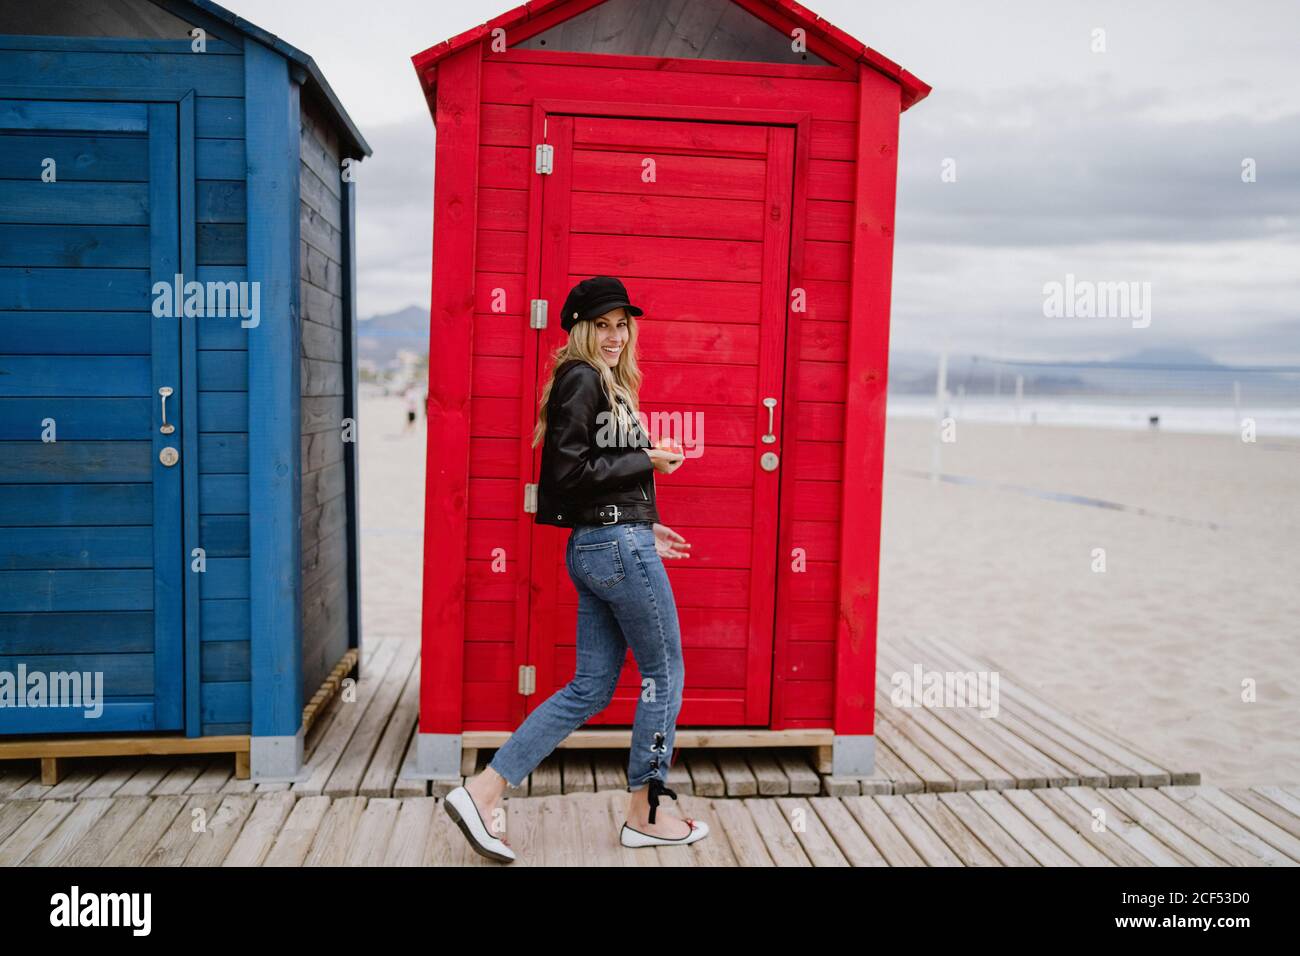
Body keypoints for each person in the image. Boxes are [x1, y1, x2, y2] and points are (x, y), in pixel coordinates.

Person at [444, 276, 707, 863]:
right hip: (614, 549)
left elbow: (591, 473)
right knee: (664, 674)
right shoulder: (583, 377)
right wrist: (649, 460)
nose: (614, 335)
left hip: (606, 543)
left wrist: (646, 524)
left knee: (590, 688)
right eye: (602, 325)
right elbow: (565, 472)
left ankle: (484, 791)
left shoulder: (600, 381)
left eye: (622, 324)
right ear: (580, 328)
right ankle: (647, 813)